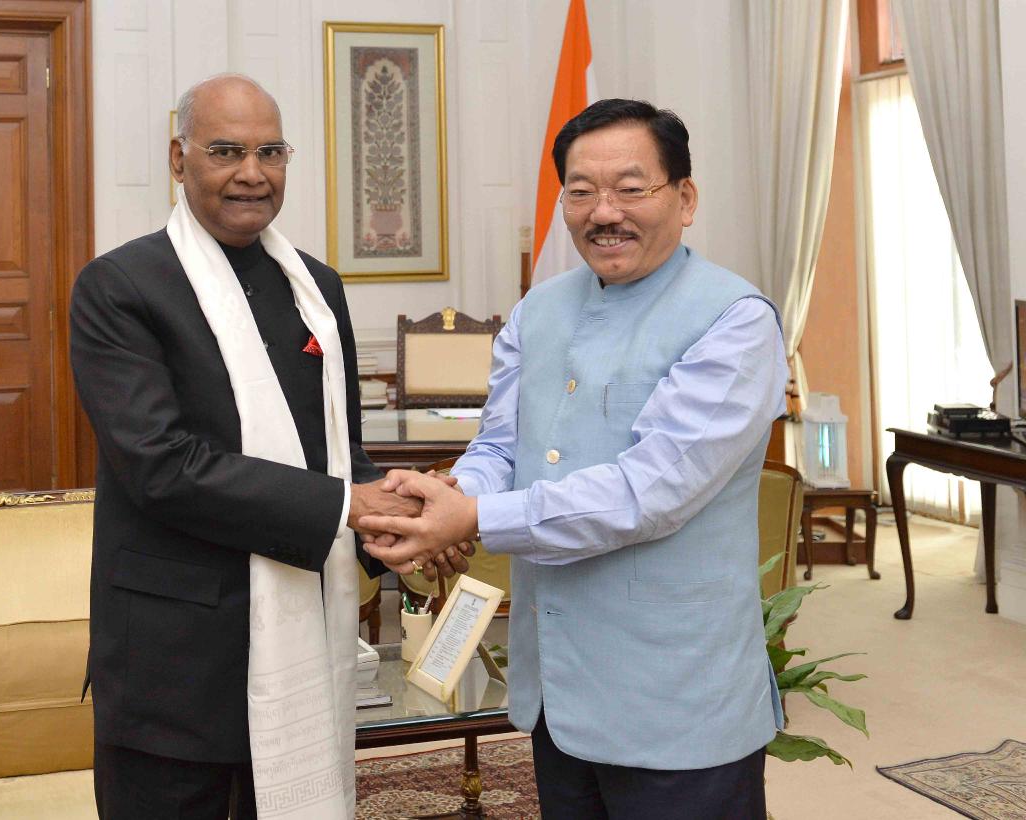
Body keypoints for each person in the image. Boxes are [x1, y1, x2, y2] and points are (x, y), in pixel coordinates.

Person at [359, 98, 790, 819]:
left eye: (631, 188)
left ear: (684, 198)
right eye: (582, 191)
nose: (604, 212)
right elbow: (501, 445)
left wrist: (471, 517)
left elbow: (646, 494)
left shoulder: (734, 321)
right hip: (557, 686)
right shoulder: (540, 308)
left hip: (676, 695)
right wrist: (451, 494)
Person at [70, 74, 466, 820]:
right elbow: (162, 467)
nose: (252, 173)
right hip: (175, 661)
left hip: (304, 634)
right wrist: (351, 506)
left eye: (270, 152)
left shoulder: (316, 286)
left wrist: (401, 521)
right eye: (226, 152)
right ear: (179, 159)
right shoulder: (121, 287)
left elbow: (342, 457)